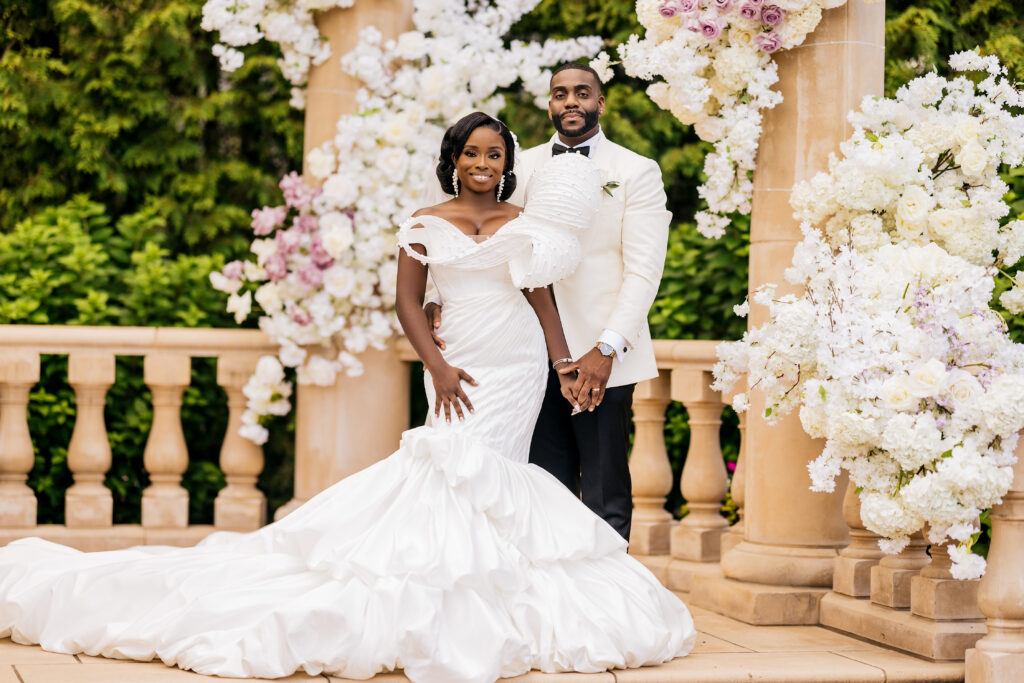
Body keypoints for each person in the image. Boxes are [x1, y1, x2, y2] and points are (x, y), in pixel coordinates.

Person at [0, 112, 694, 683]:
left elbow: (540, 298)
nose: (484, 162)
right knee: (450, 460)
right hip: (457, 361)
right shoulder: (425, 219)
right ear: (453, 158)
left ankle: (494, 590)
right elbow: (408, 302)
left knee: (499, 469)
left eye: (496, 153)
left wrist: (563, 361)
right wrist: (439, 364)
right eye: (473, 152)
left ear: (507, 162)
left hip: (515, 362)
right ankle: (438, 586)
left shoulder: (522, 218)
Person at [426, 64, 671, 541]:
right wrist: (438, 297)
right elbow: (476, 236)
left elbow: (643, 271)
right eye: (561, 94)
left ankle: (611, 607)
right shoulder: (517, 166)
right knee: (537, 487)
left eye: (583, 93)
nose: (571, 101)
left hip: (600, 358)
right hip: (521, 358)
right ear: (550, 103)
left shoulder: (635, 171)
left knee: (604, 493)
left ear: (600, 102)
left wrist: (606, 349)